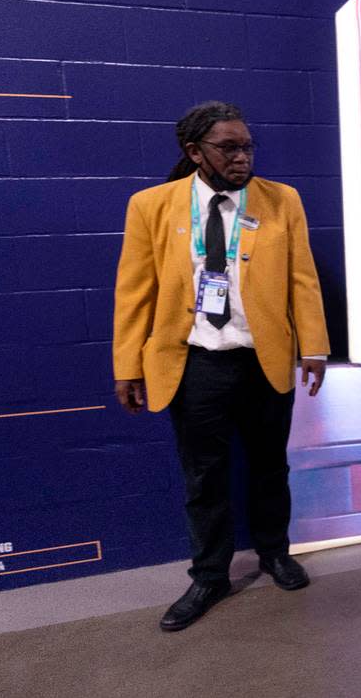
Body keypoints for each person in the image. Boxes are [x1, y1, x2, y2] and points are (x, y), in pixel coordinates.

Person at [113, 101, 330, 632]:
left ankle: (274, 554)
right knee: (204, 477)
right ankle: (209, 575)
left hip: (264, 359)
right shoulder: (151, 205)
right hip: (194, 364)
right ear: (194, 152)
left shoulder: (283, 200)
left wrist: (315, 347)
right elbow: (134, 290)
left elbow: (302, 277)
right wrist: (127, 365)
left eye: (247, 145)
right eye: (228, 148)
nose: (242, 156)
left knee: (268, 466)